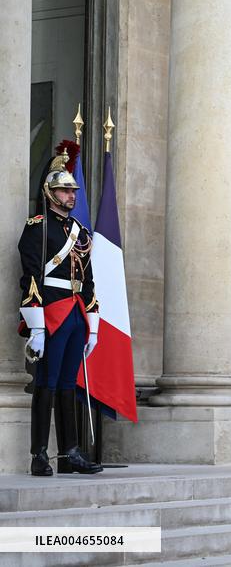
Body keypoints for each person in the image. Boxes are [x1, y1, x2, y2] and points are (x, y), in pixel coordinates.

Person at [18, 141, 102, 476]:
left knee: (68, 384)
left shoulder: (79, 231)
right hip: (50, 313)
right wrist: (36, 325)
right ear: (50, 192)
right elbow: (31, 276)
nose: (71, 196)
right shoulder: (38, 226)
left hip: (76, 314)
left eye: (72, 190)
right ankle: (39, 454)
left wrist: (92, 325)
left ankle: (69, 454)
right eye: (64, 190)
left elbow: (90, 281)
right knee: (46, 384)